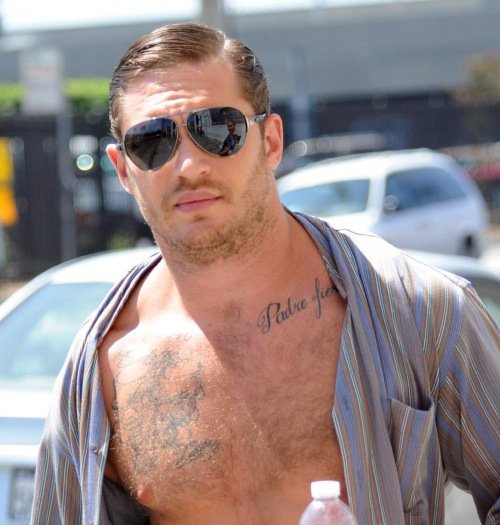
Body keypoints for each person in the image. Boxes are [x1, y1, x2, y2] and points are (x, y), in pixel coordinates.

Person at [31, 22, 499, 525]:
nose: (188, 166)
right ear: (124, 169)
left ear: (271, 142)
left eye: (218, 129)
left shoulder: (419, 311)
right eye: (152, 142)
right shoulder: (99, 369)